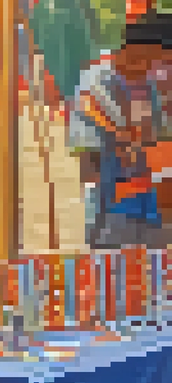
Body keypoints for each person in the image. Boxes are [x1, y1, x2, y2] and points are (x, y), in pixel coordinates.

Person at [70, 14, 172, 248]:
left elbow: (155, 135)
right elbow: (91, 147)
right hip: (112, 199)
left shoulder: (149, 85)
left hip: (148, 198)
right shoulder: (98, 80)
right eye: (164, 59)